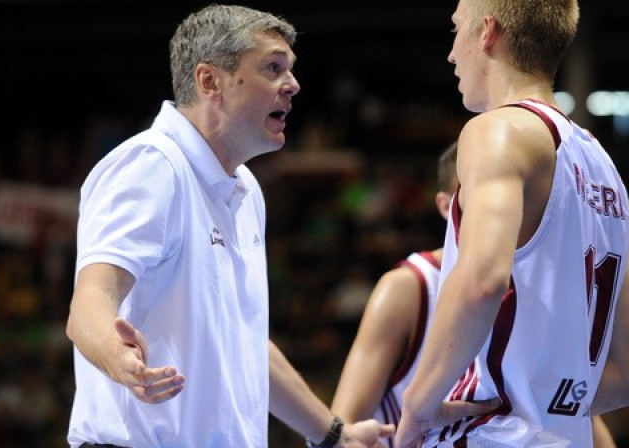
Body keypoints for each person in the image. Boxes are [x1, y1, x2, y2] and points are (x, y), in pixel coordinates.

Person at [65, 5, 393, 448]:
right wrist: (113, 353)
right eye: (273, 68)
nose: (293, 85)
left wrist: (335, 434)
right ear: (210, 82)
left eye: (290, 70)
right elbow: (92, 298)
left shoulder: (244, 188)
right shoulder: (153, 165)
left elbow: (247, 344)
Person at [394, 0, 629, 447]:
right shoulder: (605, 168)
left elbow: (481, 282)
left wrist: (417, 408)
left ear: (487, 33)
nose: (452, 54)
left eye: (456, 31)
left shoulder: (497, 130)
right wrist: (543, 408)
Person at [332, 143, 618, 448]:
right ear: (446, 206)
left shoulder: (537, 292)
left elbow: (577, 411)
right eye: (483, 195)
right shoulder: (409, 288)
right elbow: (343, 428)